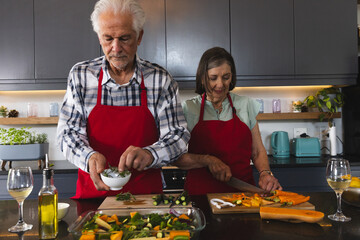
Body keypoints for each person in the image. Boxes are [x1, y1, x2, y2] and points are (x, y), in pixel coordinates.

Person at [57, 0, 189, 199]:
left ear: (139, 37)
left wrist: (150, 154)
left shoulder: (160, 80)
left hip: (145, 200)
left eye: (124, 38)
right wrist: (89, 157)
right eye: (108, 38)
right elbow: (67, 134)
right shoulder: (81, 76)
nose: (116, 48)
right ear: (99, 37)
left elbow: (178, 135)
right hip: (95, 197)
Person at [174, 47, 282, 195]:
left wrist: (265, 173)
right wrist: (208, 160)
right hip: (200, 195)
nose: (220, 85)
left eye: (226, 77)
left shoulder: (245, 105)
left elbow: (256, 152)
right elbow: (177, 158)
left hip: (243, 195)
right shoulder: (188, 108)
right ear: (202, 77)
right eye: (213, 78)